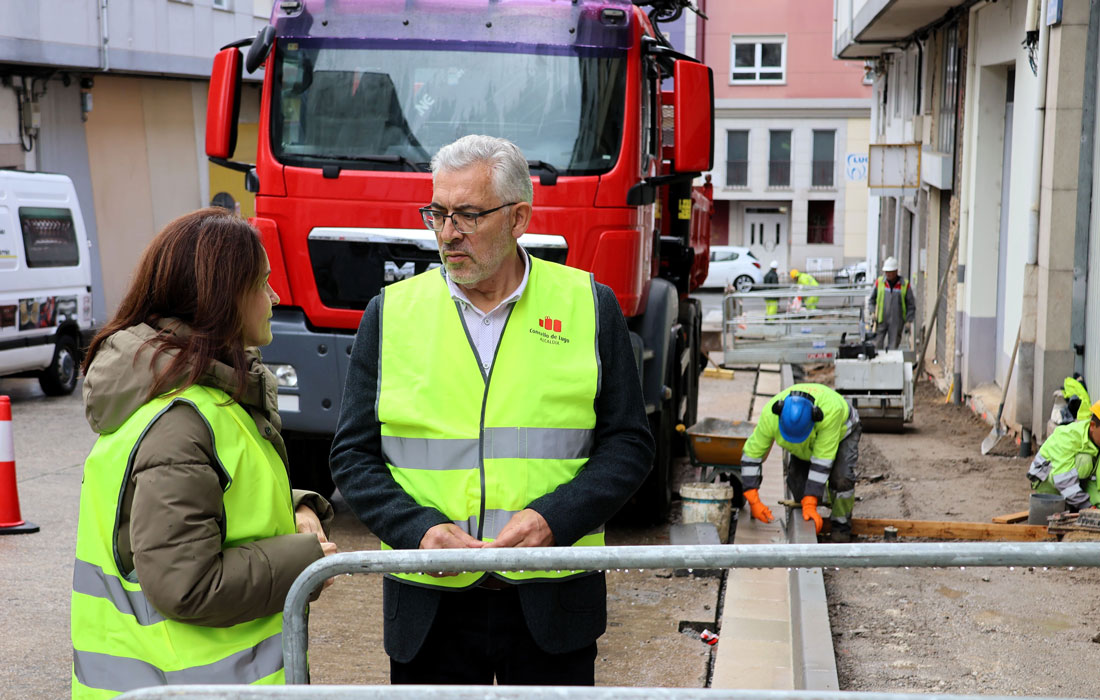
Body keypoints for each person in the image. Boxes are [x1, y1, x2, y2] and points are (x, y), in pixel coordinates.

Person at [329, 134, 654, 686]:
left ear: (518, 217)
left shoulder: (588, 306)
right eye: (437, 213)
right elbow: (352, 455)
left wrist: (557, 519)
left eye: (467, 215)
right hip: (427, 606)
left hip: (553, 601)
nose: (447, 234)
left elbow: (629, 444)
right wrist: (419, 530)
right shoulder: (391, 315)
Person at [71, 209, 338, 698]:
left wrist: (295, 504)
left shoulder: (193, 397)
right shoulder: (183, 420)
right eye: (262, 283)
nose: (275, 297)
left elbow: (217, 493)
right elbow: (187, 584)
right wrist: (304, 561)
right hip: (190, 685)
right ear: (222, 299)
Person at [739, 383, 861, 542]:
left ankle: (841, 526)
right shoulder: (771, 414)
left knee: (841, 478)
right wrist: (753, 498)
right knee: (799, 490)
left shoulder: (830, 413)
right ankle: (825, 495)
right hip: (806, 443)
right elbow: (751, 454)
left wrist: (810, 503)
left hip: (843, 432)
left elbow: (822, 461)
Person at [1028, 399, 1100, 512]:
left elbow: (1095, 482)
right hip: (1046, 481)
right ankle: (1069, 502)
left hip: (1071, 483)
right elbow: (1063, 479)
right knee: (1085, 460)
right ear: (1092, 426)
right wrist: (1088, 507)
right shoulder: (1068, 437)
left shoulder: (1096, 441)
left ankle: (1075, 501)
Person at [867, 256, 915, 350]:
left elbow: (911, 305)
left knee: (893, 348)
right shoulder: (880, 282)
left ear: (896, 271)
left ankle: (890, 364)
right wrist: (872, 312)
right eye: (886, 272)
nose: (888, 274)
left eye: (890, 272)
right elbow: (871, 300)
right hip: (881, 320)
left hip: (897, 322)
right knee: (877, 345)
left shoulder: (904, 285)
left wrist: (909, 320)